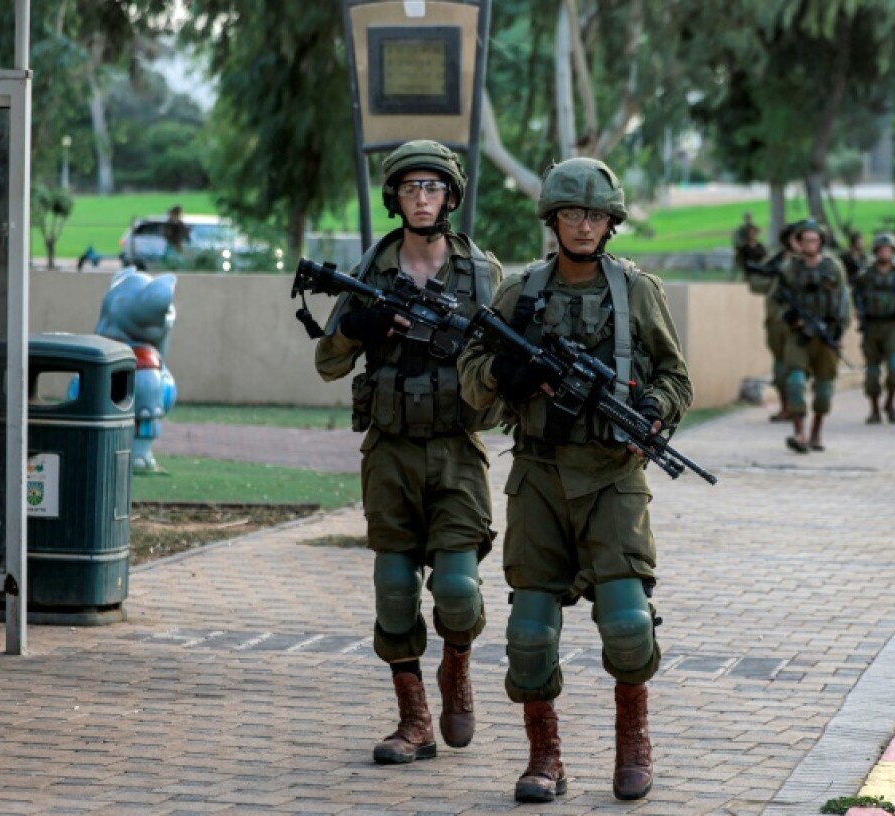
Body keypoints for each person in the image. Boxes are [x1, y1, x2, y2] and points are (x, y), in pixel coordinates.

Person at [458, 158, 692, 803]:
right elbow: (473, 374)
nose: (583, 225)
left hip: (614, 479)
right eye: (571, 213)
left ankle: (633, 745)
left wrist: (653, 408)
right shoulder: (522, 290)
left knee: (627, 622)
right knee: (529, 633)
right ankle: (545, 758)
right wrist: (507, 375)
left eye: (594, 215)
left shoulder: (637, 291)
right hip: (537, 475)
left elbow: (677, 378)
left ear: (610, 222)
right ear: (553, 219)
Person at [314, 140, 503, 765]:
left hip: (456, 450)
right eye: (410, 188)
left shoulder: (483, 274)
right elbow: (327, 364)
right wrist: (356, 327)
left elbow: (502, 369)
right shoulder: (370, 271)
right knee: (393, 587)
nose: (422, 199)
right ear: (394, 198)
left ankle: (456, 668)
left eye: (433, 188)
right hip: (390, 451)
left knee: (458, 590)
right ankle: (413, 719)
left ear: (450, 197)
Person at [779, 220, 851, 453]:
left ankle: (816, 433)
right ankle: (799, 433)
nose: (810, 244)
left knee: (823, 390)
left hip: (826, 335)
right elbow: (778, 301)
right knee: (795, 383)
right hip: (798, 336)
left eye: (815, 240)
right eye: (806, 240)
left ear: (821, 242)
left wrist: (838, 332)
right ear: (799, 243)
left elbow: (843, 303)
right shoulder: (790, 269)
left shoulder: (833, 268)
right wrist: (793, 319)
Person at [852, 234, 895, 424]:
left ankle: (890, 402)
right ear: (875, 252)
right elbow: (856, 295)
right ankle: (874, 409)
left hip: (892, 327)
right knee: (872, 372)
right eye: (882, 250)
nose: (885, 253)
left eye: (888, 250)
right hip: (871, 327)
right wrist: (857, 311)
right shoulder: (865, 276)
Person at [748, 223, 798, 421]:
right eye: (795, 238)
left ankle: (797, 407)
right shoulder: (774, 262)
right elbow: (755, 284)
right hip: (776, 319)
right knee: (780, 365)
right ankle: (786, 407)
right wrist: (776, 281)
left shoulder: (806, 263)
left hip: (798, 321)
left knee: (797, 365)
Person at [732, 213, 767, 280]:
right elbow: (737, 242)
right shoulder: (741, 230)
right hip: (746, 256)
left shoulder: (759, 245)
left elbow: (764, 256)